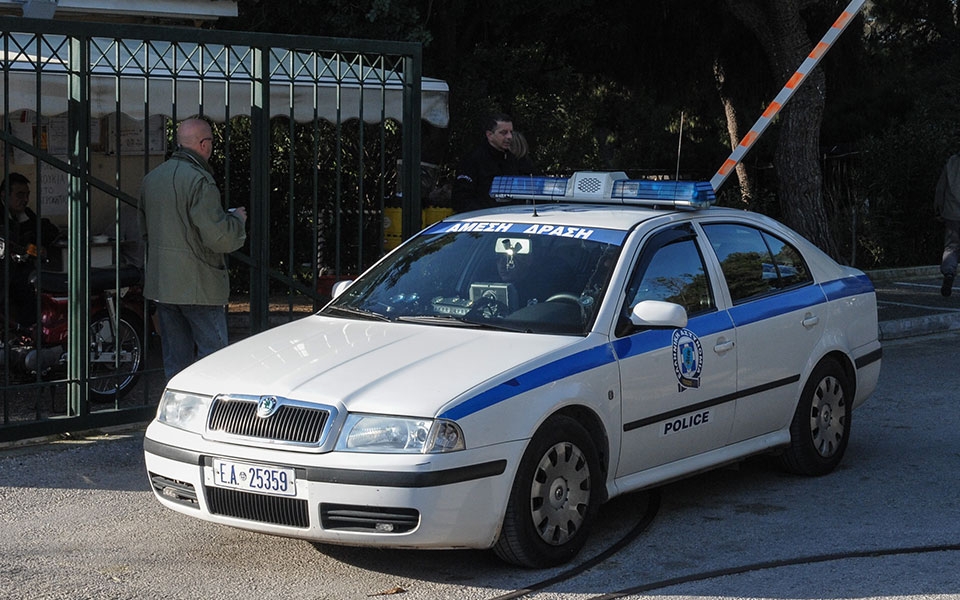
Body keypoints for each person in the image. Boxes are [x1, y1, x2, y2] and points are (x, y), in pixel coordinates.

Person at [138, 118, 247, 380]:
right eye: (210, 141)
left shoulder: (152, 179)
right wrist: (237, 221)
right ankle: (215, 415)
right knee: (215, 359)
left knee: (176, 362)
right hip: (199, 285)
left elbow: (146, 231)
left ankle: (180, 413)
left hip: (163, 285)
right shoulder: (200, 181)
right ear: (203, 144)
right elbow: (218, 237)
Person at [0, 172, 61, 326]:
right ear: (4, 195)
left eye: (27, 194)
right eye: (20, 194)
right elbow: (14, 244)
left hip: (21, 270)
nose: (25, 199)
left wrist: (39, 248)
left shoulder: (25, 214)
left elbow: (46, 230)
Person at [451, 113, 520, 213]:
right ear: (489, 135)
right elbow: (461, 199)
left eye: (511, 132)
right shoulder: (473, 160)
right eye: (504, 133)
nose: (509, 137)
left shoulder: (512, 159)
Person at [935, 151, 960, 297]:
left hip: (952, 212)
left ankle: (949, 273)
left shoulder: (951, 162)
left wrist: (938, 208)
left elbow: (941, 188)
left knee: (951, 247)